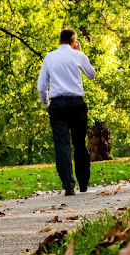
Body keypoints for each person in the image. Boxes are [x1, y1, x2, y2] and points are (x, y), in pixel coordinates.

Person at [37, 28, 96, 196]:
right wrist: (81, 54)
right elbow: (91, 74)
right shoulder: (78, 55)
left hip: (58, 105)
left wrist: (46, 104)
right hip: (77, 104)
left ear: (59, 41)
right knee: (79, 144)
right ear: (74, 42)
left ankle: (68, 186)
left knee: (62, 145)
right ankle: (83, 183)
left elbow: (42, 87)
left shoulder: (49, 57)